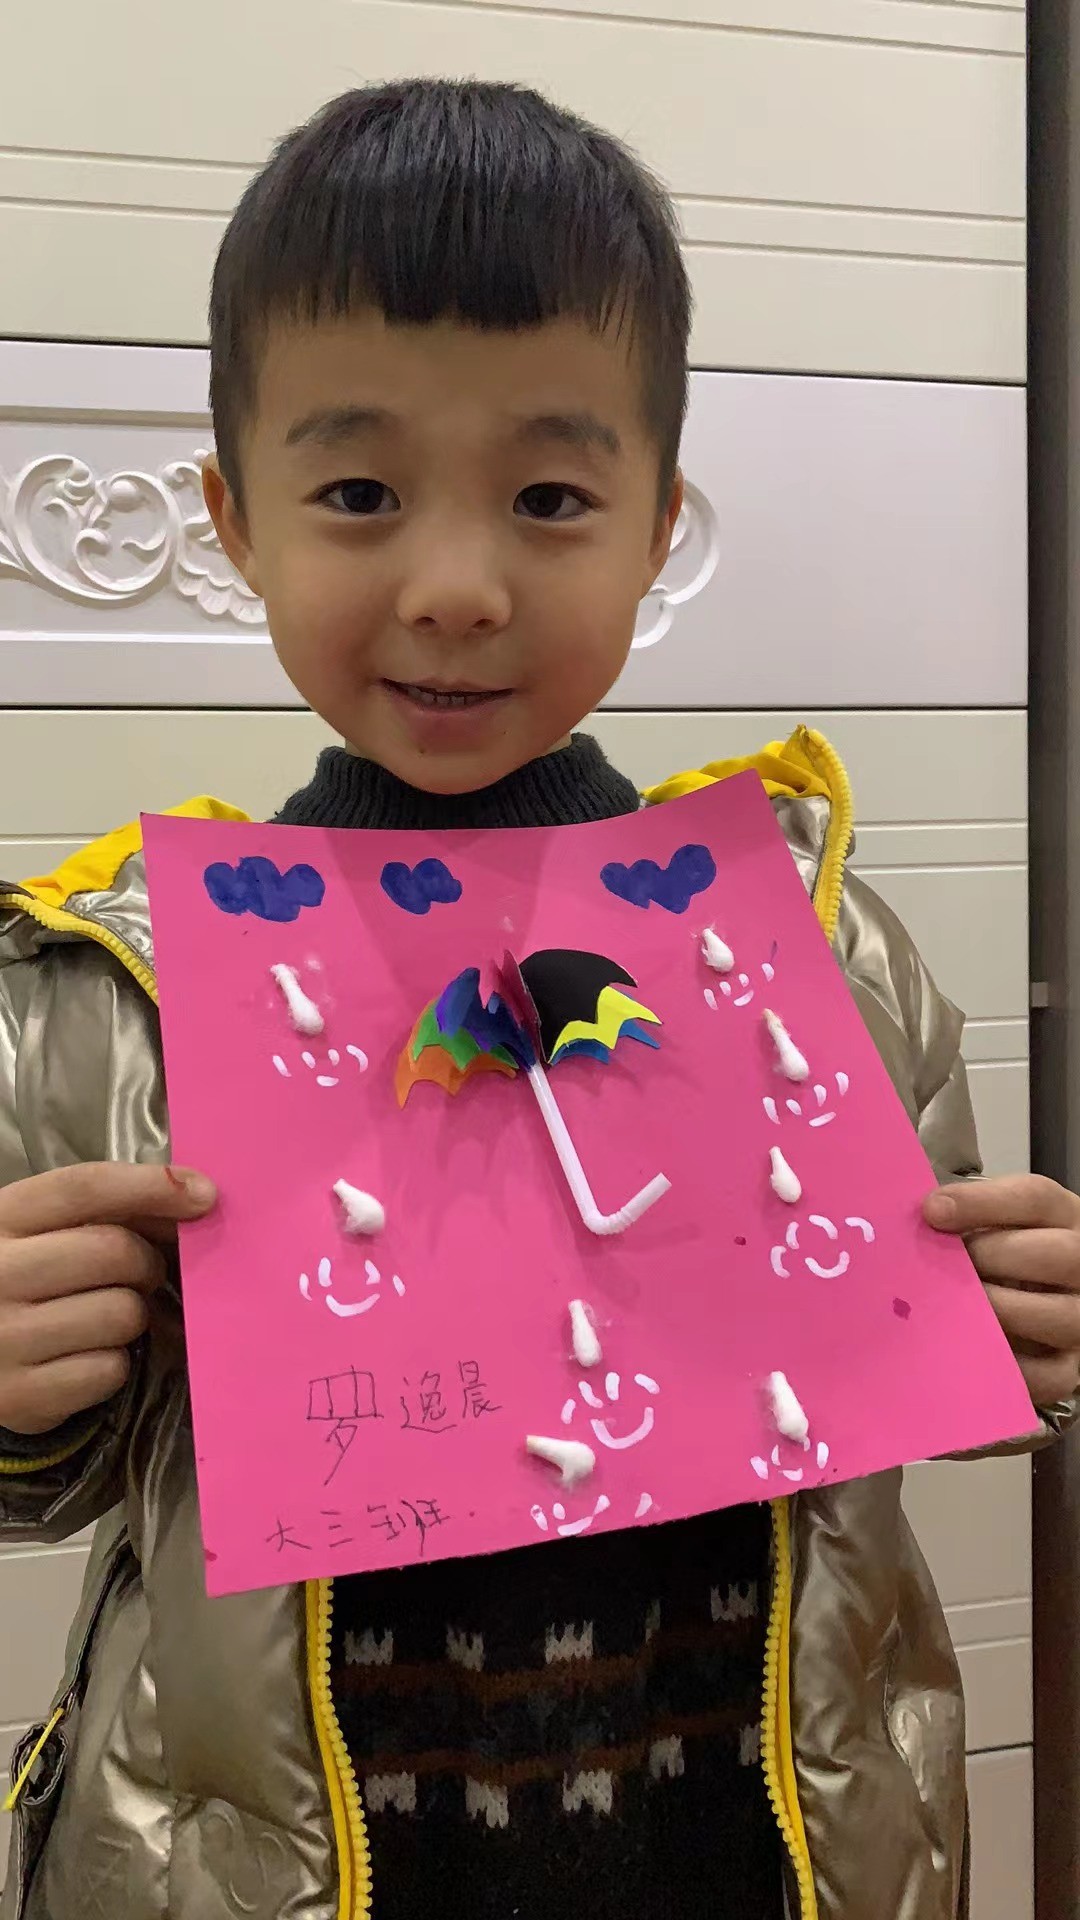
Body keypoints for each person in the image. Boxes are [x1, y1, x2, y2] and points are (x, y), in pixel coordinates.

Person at [0, 80, 1076, 1920]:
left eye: (552, 498)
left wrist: (1011, 1337)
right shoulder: (122, 992)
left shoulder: (818, 948)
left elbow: (900, 1371)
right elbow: (56, 1483)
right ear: (234, 523)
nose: (456, 587)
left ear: (659, 526)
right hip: (300, 1864)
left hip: (750, 1840)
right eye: (359, 493)